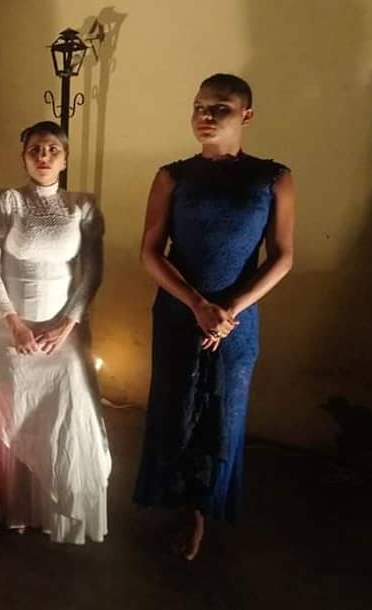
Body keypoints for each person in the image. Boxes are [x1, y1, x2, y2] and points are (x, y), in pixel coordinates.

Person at [133, 74, 296, 560]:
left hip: (236, 320)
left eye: (219, 107)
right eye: (199, 106)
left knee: (223, 414)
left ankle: (203, 508)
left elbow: (283, 257)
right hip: (180, 312)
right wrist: (197, 305)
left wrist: (230, 310)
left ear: (247, 114)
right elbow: (150, 253)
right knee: (175, 408)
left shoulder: (273, 178)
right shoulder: (173, 176)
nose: (205, 115)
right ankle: (182, 507)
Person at [0, 120, 111, 545]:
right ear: (24, 157)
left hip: (64, 329)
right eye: (35, 148)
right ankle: (20, 507)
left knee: (71, 406)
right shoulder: (5, 202)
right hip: (11, 327)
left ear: (65, 158)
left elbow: (91, 272)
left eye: (53, 149)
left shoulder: (81, 207)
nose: (44, 156)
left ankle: (62, 508)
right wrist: (14, 324)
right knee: (19, 410)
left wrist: (68, 324)